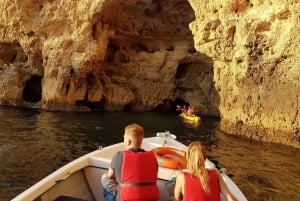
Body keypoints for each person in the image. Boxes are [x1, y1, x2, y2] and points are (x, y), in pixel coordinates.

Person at [101, 123, 159, 201]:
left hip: (126, 199)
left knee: (105, 178)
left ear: (128, 141)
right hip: (150, 199)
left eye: (124, 139)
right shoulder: (153, 157)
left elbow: (110, 176)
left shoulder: (119, 155)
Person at [173, 141, 237, 201]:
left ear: (188, 157)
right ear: (205, 158)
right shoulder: (215, 172)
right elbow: (230, 197)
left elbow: (177, 198)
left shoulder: (182, 176)